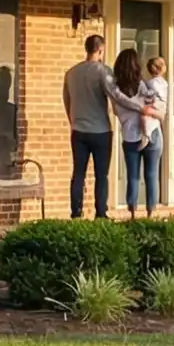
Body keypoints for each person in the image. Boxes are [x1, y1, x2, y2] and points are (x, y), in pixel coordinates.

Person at [62, 36, 117, 219]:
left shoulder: (71, 73)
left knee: (78, 173)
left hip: (78, 130)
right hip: (100, 130)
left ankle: (75, 213)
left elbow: (67, 100)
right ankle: (101, 213)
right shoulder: (103, 71)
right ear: (100, 50)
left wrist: (73, 122)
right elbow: (114, 95)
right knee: (101, 175)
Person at [107, 48, 164, 216]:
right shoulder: (143, 84)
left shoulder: (115, 90)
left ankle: (132, 213)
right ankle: (151, 214)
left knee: (132, 176)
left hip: (130, 135)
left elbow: (116, 111)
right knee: (152, 174)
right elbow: (154, 104)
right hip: (152, 131)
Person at [139, 54, 174, 213]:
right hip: (157, 129)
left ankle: (141, 205)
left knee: (145, 173)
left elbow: (144, 109)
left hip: (148, 128)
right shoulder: (165, 86)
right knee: (153, 172)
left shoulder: (148, 86)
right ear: (162, 69)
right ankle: (151, 209)